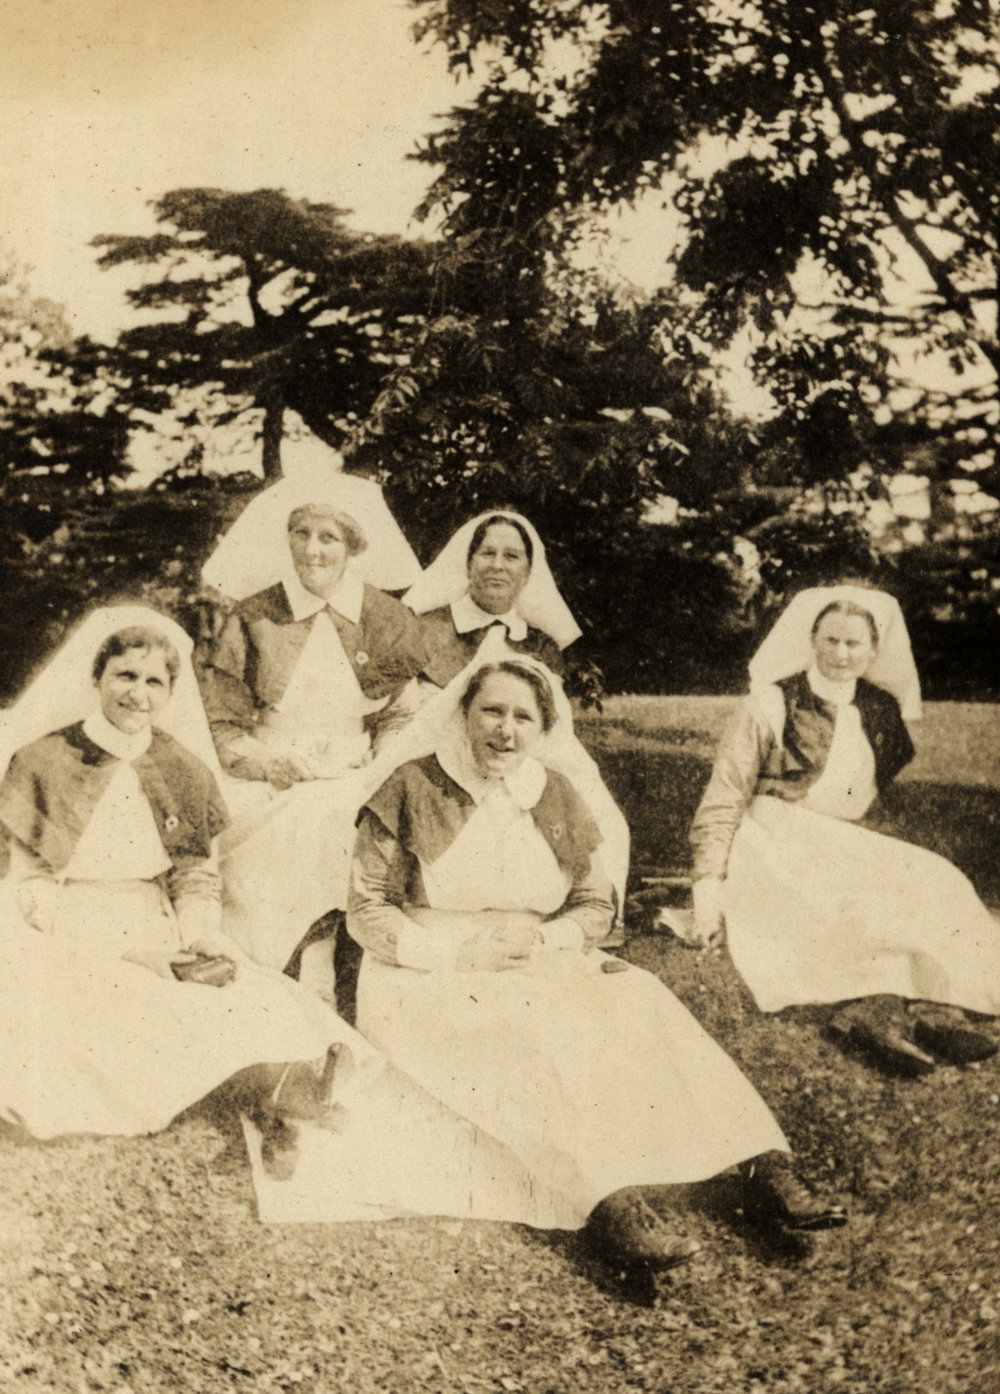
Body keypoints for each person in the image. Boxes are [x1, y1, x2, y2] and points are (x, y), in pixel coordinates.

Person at [347, 654, 845, 1272]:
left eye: (523, 718)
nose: (506, 730)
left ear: (543, 728)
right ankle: (611, 1201)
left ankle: (762, 1166)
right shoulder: (412, 785)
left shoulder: (554, 793)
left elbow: (594, 902)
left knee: (646, 1000)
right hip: (425, 968)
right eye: (492, 712)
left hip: (535, 954)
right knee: (534, 1037)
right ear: (463, 715)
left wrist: (550, 940)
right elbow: (366, 908)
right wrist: (457, 952)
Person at [0, 606, 348, 1175]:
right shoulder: (44, 759)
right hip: (64, 915)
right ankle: (269, 1087)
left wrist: (199, 935)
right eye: (124, 676)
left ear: (170, 692)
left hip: (147, 912)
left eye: (154, 681)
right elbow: (30, 874)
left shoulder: (182, 767)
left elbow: (194, 874)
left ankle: (286, 1083)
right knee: (110, 999)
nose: (137, 695)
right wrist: (87, 937)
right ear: (97, 678)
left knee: (230, 991)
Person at [689, 584, 1000, 1074]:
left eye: (853, 643)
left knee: (938, 879)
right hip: (772, 836)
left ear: (874, 650)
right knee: (847, 904)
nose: (840, 654)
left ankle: (935, 1008)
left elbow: (870, 795)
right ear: (811, 639)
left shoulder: (879, 709)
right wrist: (707, 888)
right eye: (830, 640)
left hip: (841, 837)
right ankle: (876, 1014)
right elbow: (723, 798)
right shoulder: (770, 702)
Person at [198, 468, 426, 994]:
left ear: (353, 547)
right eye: (301, 534)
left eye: (329, 538)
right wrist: (268, 764)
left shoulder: (386, 617)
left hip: (359, 770)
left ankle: (338, 968)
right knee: (295, 825)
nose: (312, 550)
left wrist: (381, 764)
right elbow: (222, 724)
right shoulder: (254, 615)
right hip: (265, 774)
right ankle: (280, 972)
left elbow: (400, 714)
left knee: (347, 816)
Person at [402, 512, 577, 689]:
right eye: (488, 553)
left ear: (527, 573)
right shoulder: (423, 631)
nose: (497, 565)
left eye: (511, 556)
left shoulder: (542, 648)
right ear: (468, 565)